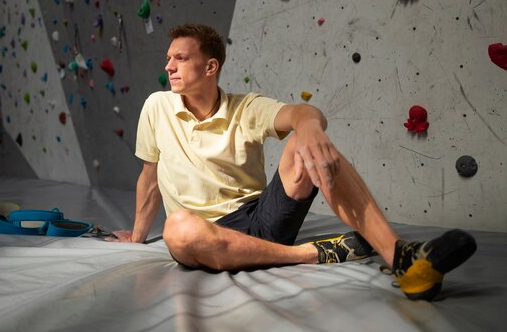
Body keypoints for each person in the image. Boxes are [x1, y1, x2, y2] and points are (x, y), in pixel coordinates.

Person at [110, 23, 477, 301]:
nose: (168, 65)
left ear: (210, 67)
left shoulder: (245, 107)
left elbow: (300, 111)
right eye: (168, 57)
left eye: (181, 58)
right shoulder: (156, 106)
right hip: (201, 234)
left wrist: (310, 126)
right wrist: (138, 237)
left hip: (260, 219)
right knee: (177, 228)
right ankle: (307, 254)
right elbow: (149, 175)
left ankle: (402, 259)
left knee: (306, 143)